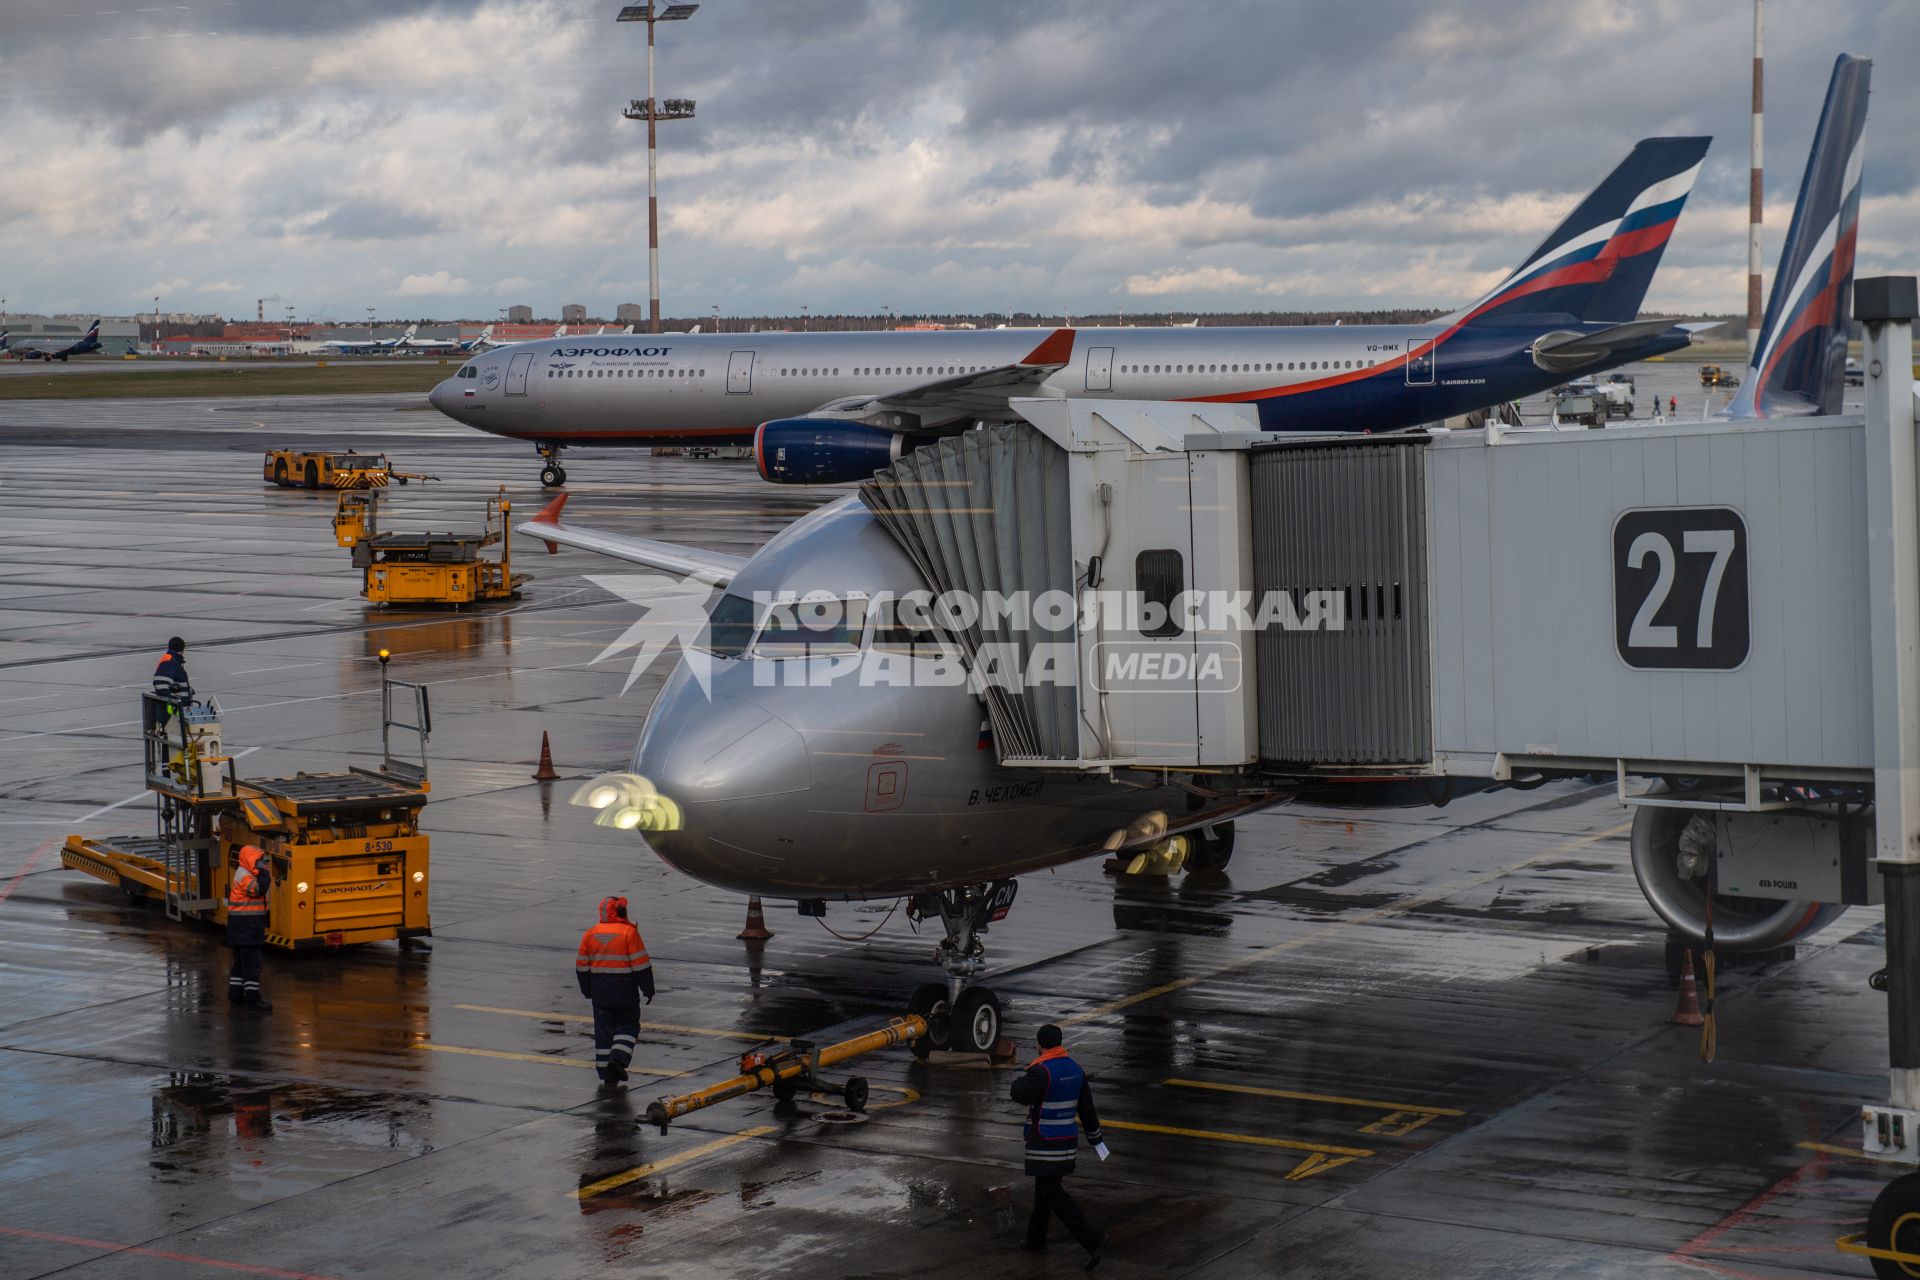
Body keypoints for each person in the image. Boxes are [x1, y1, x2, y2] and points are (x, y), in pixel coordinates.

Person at [1009, 1024, 1108, 1268]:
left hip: (1045, 1144)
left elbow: (1018, 1093)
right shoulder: (1076, 1070)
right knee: (1044, 1189)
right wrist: (1097, 1140)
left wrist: (1026, 1074)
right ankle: (1036, 1240)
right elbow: (1087, 1110)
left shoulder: (1042, 1071)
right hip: (1066, 1144)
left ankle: (1092, 1240)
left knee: (1051, 1193)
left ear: (1040, 1045)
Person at [575, 895, 654, 1086]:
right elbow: (641, 965)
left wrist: (587, 990)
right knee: (628, 1025)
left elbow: (581, 967)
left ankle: (608, 1076)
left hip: (600, 994)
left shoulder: (590, 934)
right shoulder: (629, 933)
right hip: (625, 993)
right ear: (620, 911)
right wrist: (648, 989)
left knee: (604, 1033)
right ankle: (618, 1059)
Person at [227, 844, 271, 1011]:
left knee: (240, 963)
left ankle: (236, 996)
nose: (262, 863)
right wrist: (265, 872)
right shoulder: (245, 875)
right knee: (252, 963)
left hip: (241, 926)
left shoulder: (243, 872)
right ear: (250, 860)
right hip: (247, 926)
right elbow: (259, 889)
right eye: (259, 860)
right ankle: (253, 999)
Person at [148, 636, 192, 733]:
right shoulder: (170, 662)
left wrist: (188, 690)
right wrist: (174, 699)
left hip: (177, 710)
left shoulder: (173, 660)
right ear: (182, 649)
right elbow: (160, 684)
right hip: (172, 712)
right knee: (171, 737)